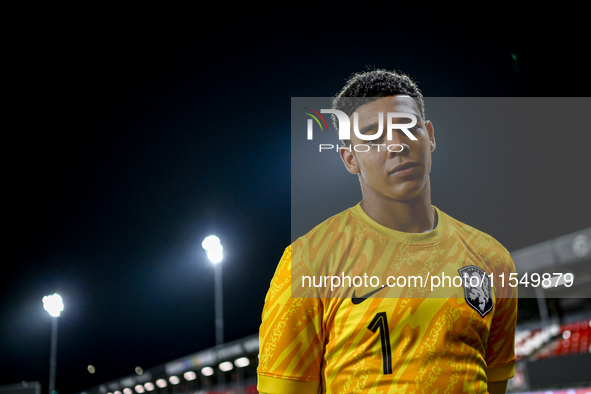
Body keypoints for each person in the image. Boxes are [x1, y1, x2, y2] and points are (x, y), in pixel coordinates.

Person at [257, 69, 517, 394]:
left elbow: (495, 384)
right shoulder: (308, 261)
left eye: (408, 127)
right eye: (373, 135)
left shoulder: (493, 258)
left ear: (430, 135)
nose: (396, 144)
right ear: (350, 159)